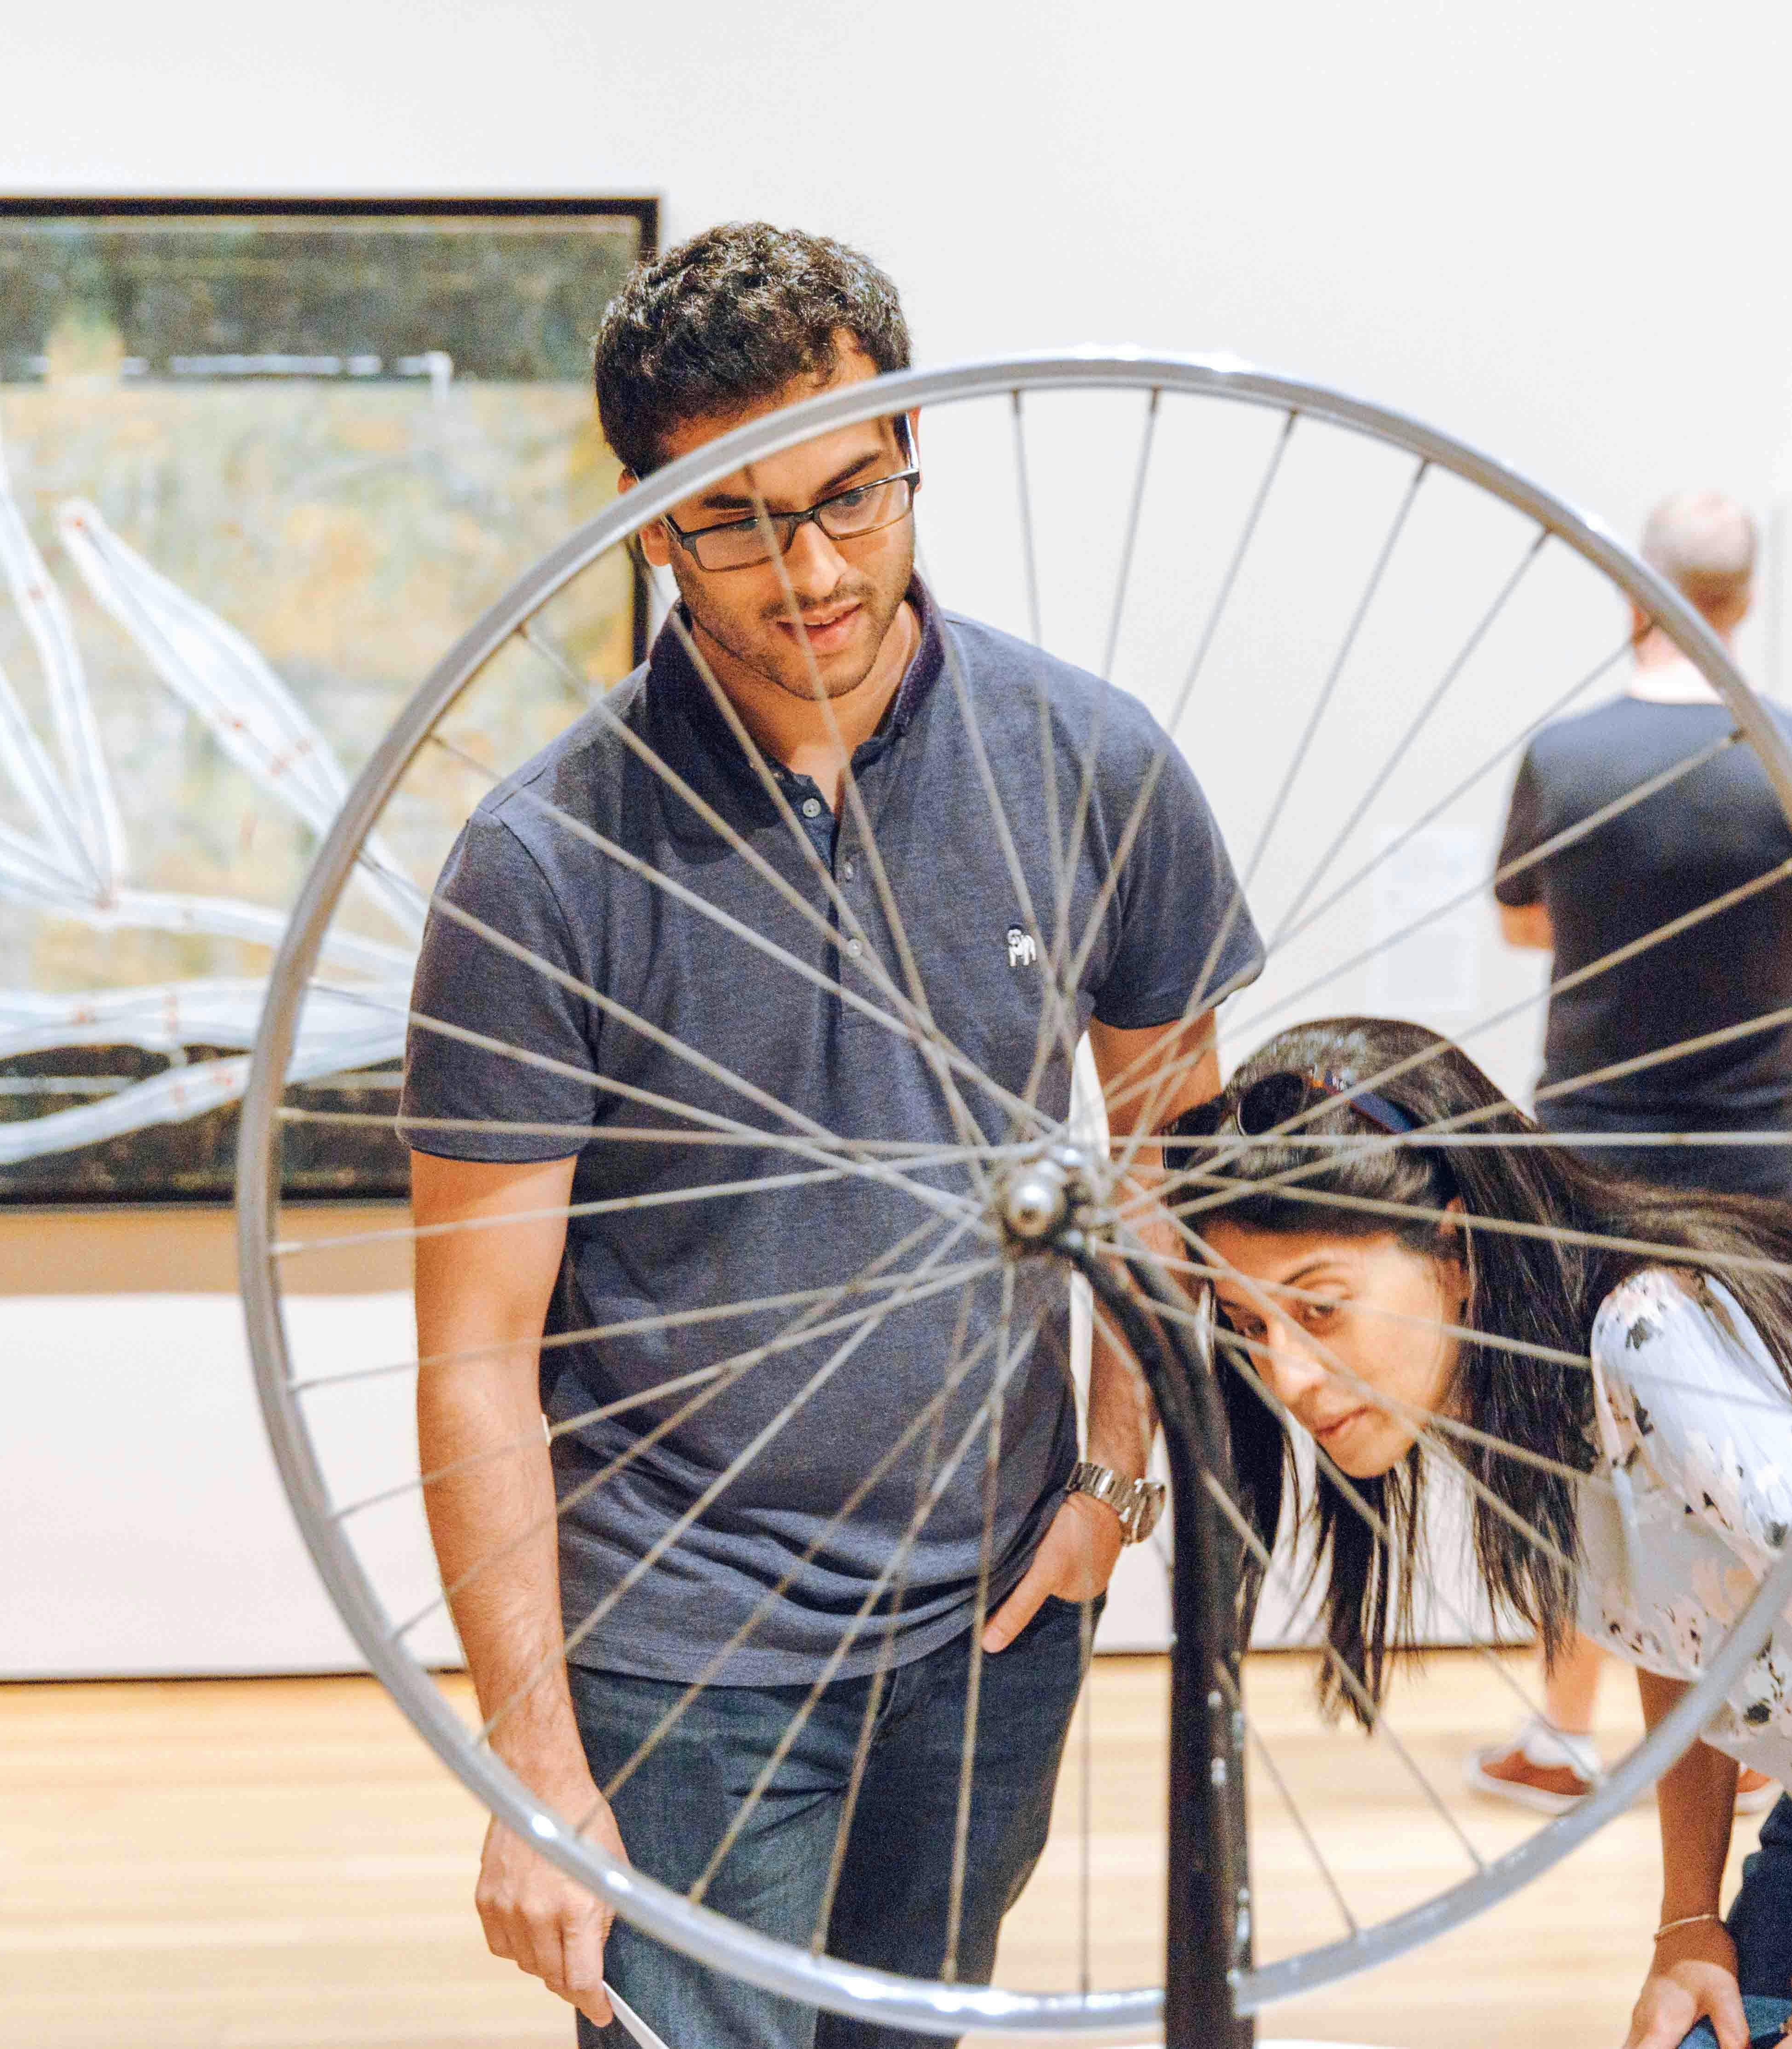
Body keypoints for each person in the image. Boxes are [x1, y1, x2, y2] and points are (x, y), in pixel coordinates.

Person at [400, 223, 1261, 2048]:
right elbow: (473, 1341)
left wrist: (1111, 1475)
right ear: (644, 515)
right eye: (734, 515)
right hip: (682, 1643)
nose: (807, 567)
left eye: (852, 492)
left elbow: (1171, 1160)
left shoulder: (1090, 762)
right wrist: (533, 1760)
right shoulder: (543, 862)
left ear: (904, 457)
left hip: (994, 1618)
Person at [1174, 1016, 1792, 2049]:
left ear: (1459, 1246)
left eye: (1320, 1309)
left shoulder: (1660, 1334)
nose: (1287, 1377)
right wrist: (1687, 1920)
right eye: (1251, 1328)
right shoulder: (1514, 1383)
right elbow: (1681, 1632)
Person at [1473, 490, 1792, 1814]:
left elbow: (1525, 926)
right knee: (1753, 1447)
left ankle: (1563, 1731)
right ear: (1741, 594)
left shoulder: (1565, 756)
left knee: (1582, 1445)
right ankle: (1751, 1738)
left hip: (1588, 1151)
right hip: (1754, 1153)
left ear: (1637, 588)